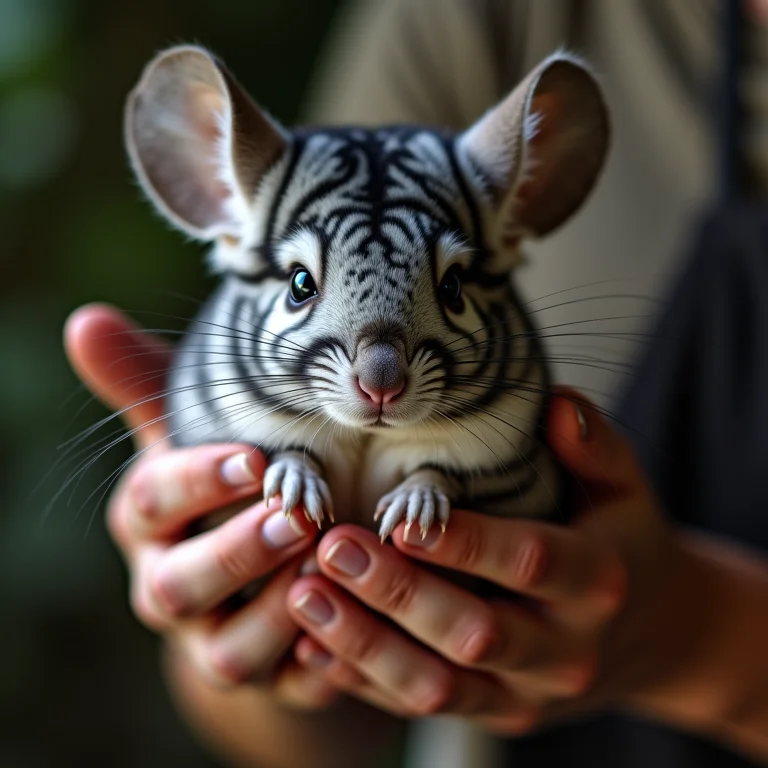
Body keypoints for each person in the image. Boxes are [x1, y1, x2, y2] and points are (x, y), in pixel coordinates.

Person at [64, 2, 768, 767]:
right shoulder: (480, 18)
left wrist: (693, 641)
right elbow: (291, 734)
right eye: (304, 284)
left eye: (452, 289)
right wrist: (246, 638)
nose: (380, 379)